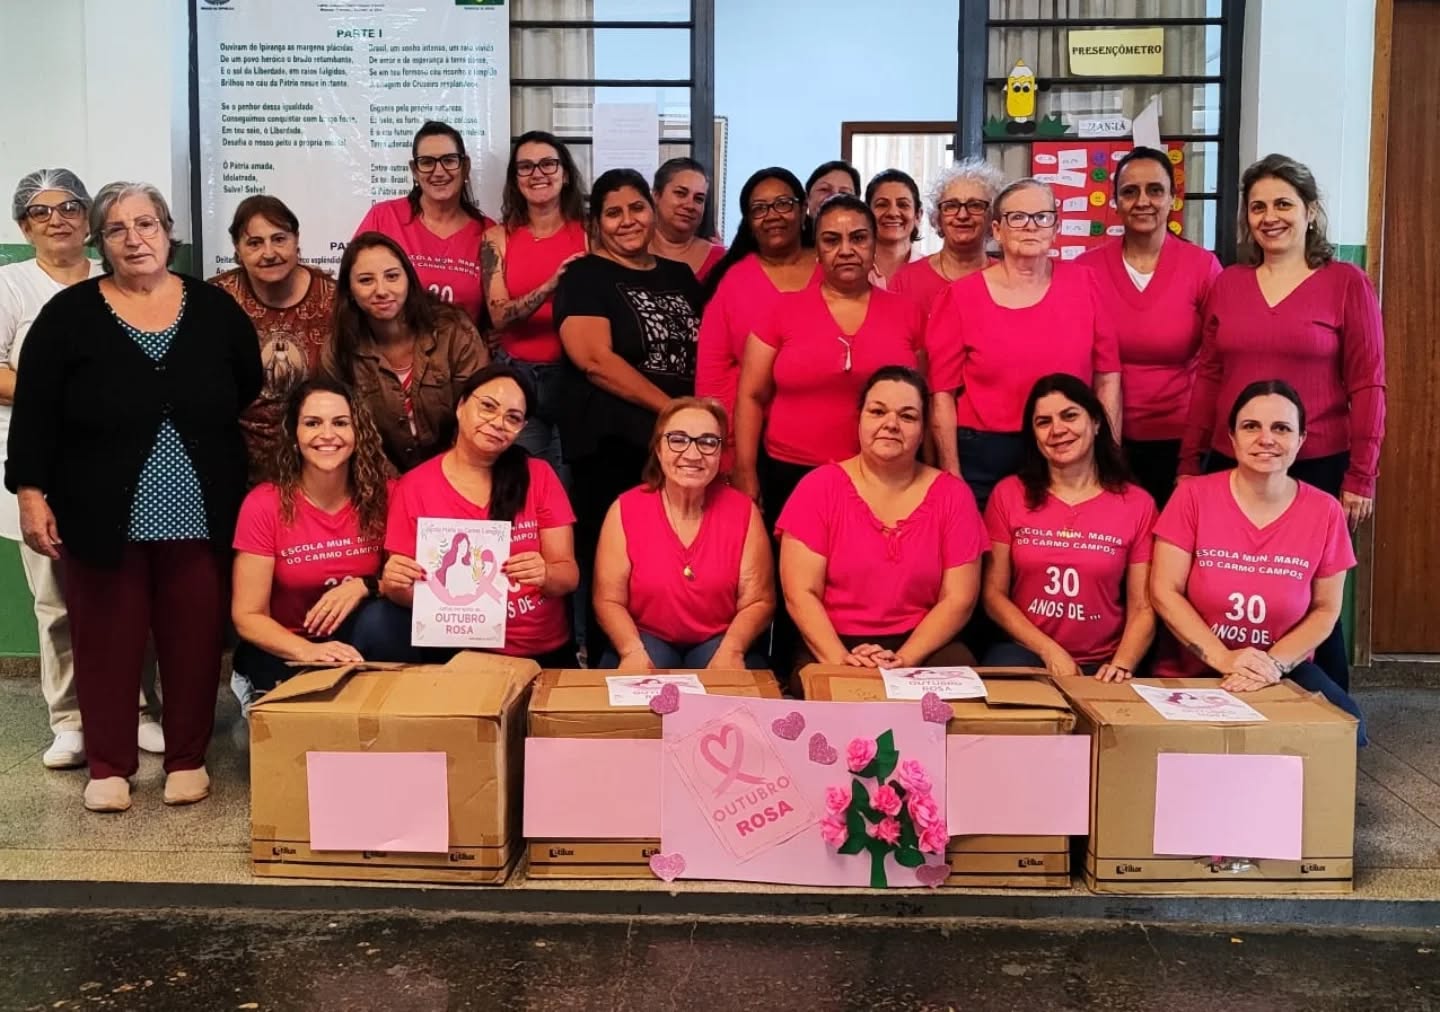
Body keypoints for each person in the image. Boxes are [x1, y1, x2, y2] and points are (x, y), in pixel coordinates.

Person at [6, 181, 262, 812]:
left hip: (200, 511)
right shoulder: (69, 316)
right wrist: (31, 493)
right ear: (100, 242)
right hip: (98, 514)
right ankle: (110, 765)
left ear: (168, 232)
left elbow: (247, 381)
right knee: (104, 644)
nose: (134, 239)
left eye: (146, 224)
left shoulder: (213, 308)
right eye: (117, 228)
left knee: (193, 642)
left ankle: (187, 760)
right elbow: (35, 411)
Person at [1179, 155, 1384, 692]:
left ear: (1310, 211)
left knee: (1310, 599)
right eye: (1258, 207)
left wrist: (1362, 475)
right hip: (1232, 461)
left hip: (1317, 465)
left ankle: (1326, 711)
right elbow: (1209, 377)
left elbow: (1368, 383)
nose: (1270, 217)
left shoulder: (1346, 283)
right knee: (1221, 586)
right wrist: (1189, 462)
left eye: (1284, 204)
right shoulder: (1229, 284)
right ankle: (1220, 697)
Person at [0, 169, 162, 769]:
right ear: (24, 227)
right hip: (36, 461)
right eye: (41, 212)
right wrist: (58, 393)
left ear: (89, 221)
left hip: (114, 462)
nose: (58, 220)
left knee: (129, 592)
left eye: (70, 207)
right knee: (55, 599)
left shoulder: (114, 275)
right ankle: (69, 720)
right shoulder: (10, 286)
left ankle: (139, 710)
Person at [1152, 380, 1366, 742]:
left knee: (1348, 731)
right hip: (1195, 667)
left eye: (1281, 428)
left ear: (1301, 439)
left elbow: (1326, 609)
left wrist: (1272, 665)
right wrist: (1224, 659)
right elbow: (1164, 591)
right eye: (1251, 426)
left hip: (1283, 670)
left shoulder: (1325, 511)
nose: (1266, 439)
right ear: (1232, 438)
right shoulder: (1192, 496)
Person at [554, 168, 701, 658]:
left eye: (636, 208)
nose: (628, 220)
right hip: (613, 448)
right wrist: (672, 411)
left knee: (674, 559)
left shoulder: (679, 277)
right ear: (597, 223)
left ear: (652, 210)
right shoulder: (584, 276)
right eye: (613, 213)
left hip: (680, 450)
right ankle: (610, 662)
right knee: (613, 562)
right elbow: (594, 359)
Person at [358, 363, 581, 667]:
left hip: (540, 648)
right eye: (488, 406)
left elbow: (568, 576)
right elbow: (409, 593)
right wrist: (397, 585)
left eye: (513, 417)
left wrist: (546, 574)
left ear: (521, 429)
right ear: (461, 406)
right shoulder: (414, 487)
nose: (498, 422)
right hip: (459, 651)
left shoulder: (538, 475)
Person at [776, 367, 985, 689]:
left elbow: (959, 599)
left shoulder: (954, 496)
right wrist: (841, 661)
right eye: (877, 411)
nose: (891, 424)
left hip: (923, 646)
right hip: (832, 643)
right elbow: (800, 594)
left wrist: (904, 661)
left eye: (907, 416)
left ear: (923, 429)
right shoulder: (818, 488)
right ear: (859, 419)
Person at [927, 177, 1122, 511]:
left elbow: (1108, 377)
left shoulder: (1086, 284)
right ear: (998, 230)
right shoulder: (959, 297)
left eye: (1042, 217)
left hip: (1068, 447)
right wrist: (952, 473)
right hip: (984, 456)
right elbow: (942, 395)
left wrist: (1109, 455)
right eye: (1017, 217)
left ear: (1056, 228)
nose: (1031, 226)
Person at [732, 194, 926, 523]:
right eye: (832, 240)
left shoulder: (908, 313)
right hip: (789, 474)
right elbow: (750, 396)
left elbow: (923, 399)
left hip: (884, 476)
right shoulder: (781, 311)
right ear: (818, 250)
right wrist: (745, 470)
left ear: (874, 244)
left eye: (859, 238)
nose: (846, 250)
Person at [982, 374, 1157, 679]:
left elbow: (1143, 606)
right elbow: (993, 595)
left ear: (1096, 422)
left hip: (1105, 662)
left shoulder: (1138, 504)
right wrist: (1050, 652)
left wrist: (1121, 665)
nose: (1057, 430)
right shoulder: (1008, 494)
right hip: (1027, 654)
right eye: (1043, 422)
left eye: (1070, 416)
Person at [230, 379, 390, 705]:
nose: (327, 434)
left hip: (358, 642)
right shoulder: (264, 504)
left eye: (340, 423)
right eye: (313, 423)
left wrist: (367, 585)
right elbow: (247, 615)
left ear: (358, 434)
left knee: (387, 623)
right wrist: (309, 652)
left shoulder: (386, 496)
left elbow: (415, 583)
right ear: (294, 435)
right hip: (287, 646)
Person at [1079, 147, 1221, 508]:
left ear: (1173, 198)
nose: (1143, 201)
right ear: (1115, 201)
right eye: (1130, 191)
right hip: (1104, 439)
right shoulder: (1086, 270)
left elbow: (1218, 361)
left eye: (1155, 190)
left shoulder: (1202, 267)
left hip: (1184, 443)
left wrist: (1196, 449)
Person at [593, 398, 773, 669]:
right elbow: (608, 600)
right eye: (678, 440)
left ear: (721, 452)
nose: (693, 454)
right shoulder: (624, 509)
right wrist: (631, 650)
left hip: (721, 638)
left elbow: (759, 601)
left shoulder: (744, 512)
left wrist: (732, 649)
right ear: (658, 448)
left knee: (730, 690)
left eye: (708, 442)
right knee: (638, 685)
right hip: (644, 636)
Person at [324, 232, 488, 473]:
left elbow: (478, 411)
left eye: (392, 276)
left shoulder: (454, 331)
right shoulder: (338, 349)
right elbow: (345, 430)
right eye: (366, 280)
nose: (381, 290)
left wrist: (440, 478)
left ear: (409, 280)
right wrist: (393, 484)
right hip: (377, 476)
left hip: (455, 469)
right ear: (349, 291)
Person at [480, 131, 588, 478]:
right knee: (527, 481)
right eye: (526, 167)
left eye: (547, 164)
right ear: (515, 179)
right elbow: (499, 316)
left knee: (573, 484)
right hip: (517, 378)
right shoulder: (497, 238)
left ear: (565, 174)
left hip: (575, 376)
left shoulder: (591, 233)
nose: (537, 173)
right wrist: (551, 286)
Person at [696, 167, 819, 469]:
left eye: (783, 204)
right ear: (749, 222)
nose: (772, 215)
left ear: (803, 208)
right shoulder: (733, 281)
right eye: (759, 209)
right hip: (751, 439)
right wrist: (727, 451)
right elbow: (712, 371)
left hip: (828, 435)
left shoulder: (831, 267)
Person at [213, 194, 337, 482]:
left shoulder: (333, 299)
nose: (269, 253)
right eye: (255, 243)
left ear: (296, 240)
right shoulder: (217, 301)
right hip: (236, 462)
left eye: (279, 239)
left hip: (317, 456)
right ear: (238, 249)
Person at [354, 121, 495, 323]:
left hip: (462, 343)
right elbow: (354, 286)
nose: (439, 171)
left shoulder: (488, 232)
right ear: (414, 170)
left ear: (465, 166)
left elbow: (497, 311)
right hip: (391, 342)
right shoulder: (384, 217)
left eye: (449, 160)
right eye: (427, 162)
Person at [892, 158, 1004, 317]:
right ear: (937, 217)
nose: (963, 215)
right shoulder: (906, 281)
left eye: (975, 205)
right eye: (951, 206)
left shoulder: (1008, 278)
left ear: (992, 216)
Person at [650, 156, 726, 280]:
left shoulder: (721, 260)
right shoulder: (630, 249)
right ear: (656, 196)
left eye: (699, 199)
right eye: (680, 193)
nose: (690, 206)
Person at [865, 169, 922, 288]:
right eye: (882, 204)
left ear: (918, 215)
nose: (892, 213)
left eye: (903, 205)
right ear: (866, 215)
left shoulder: (934, 272)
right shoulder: (851, 270)